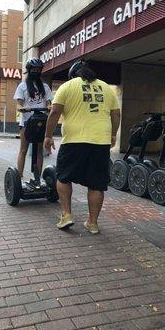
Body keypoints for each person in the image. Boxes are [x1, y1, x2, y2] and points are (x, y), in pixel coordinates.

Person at [44, 60, 120, 234]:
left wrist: (48, 136)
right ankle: (92, 223)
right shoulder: (106, 88)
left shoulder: (68, 86)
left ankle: (67, 215)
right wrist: (113, 134)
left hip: (74, 140)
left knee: (63, 177)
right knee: (96, 183)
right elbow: (116, 114)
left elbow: (55, 112)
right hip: (100, 141)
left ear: (73, 74)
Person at [14, 58, 53, 178]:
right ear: (29, 70)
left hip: (41, 122)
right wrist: (22, 108)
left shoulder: (45, 87)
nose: (36, 71)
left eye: (38, 69)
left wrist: (50, 106)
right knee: (23, 150)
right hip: (27, 122)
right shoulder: (22, 86)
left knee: (39, 151)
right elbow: (18, 105)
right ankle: (19, 177)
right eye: (33, 69)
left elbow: (48, 103)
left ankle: (37, 178)